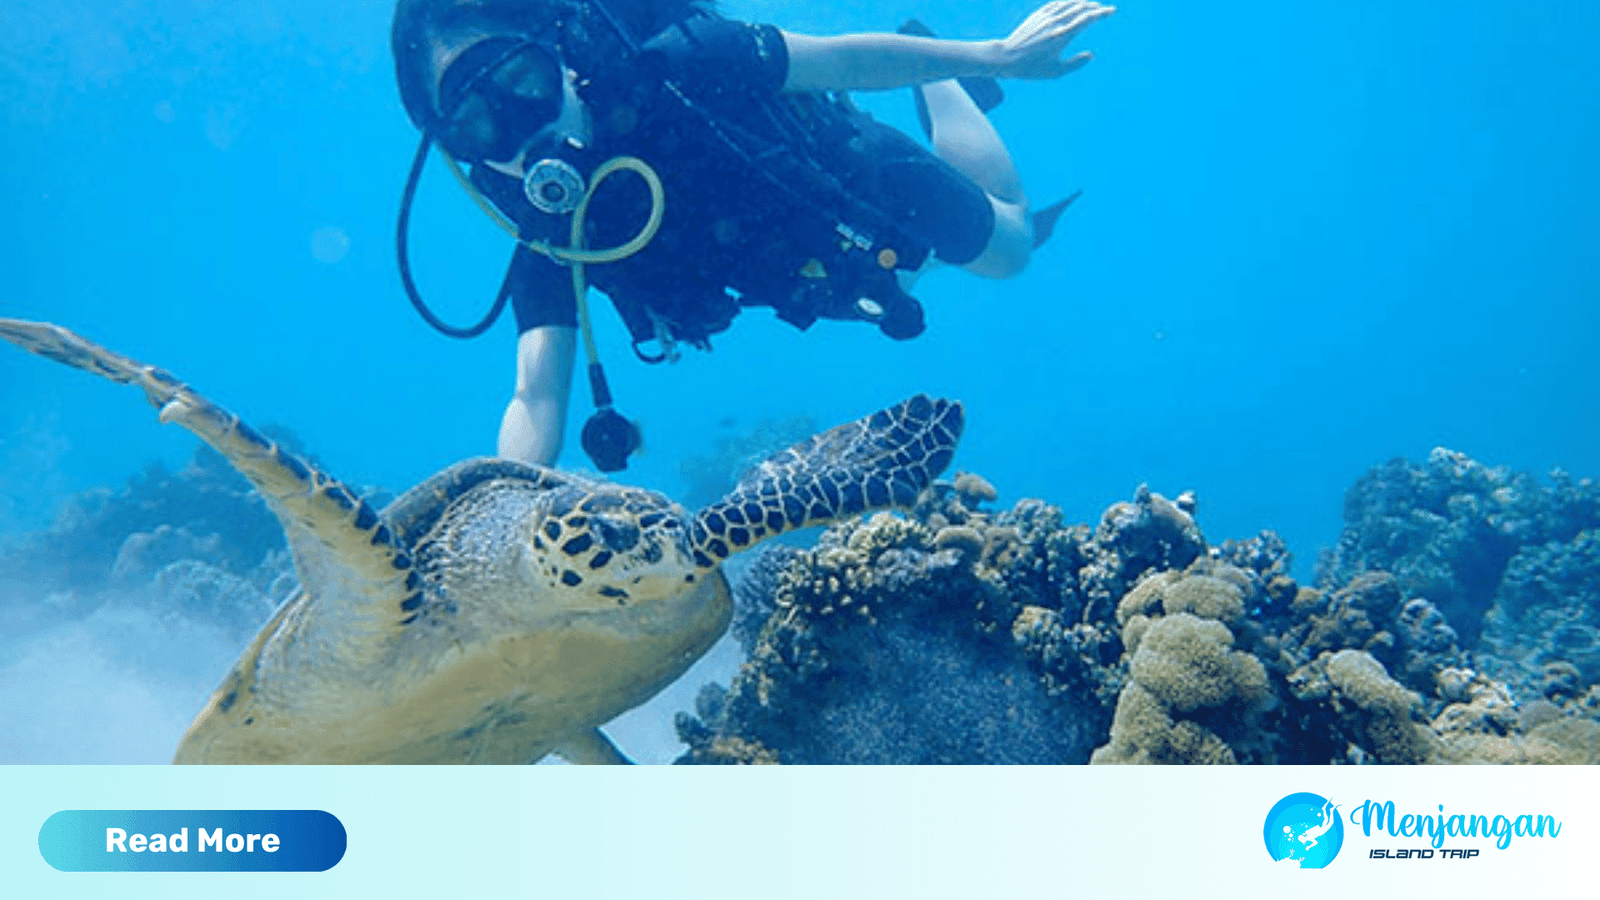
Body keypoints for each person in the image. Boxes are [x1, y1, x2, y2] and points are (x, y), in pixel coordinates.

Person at [391, 0, 1114, 470]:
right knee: (909, 281)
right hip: (793, 269)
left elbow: (842, 60)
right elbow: (536, 393)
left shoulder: (684, 61)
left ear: (563, 61)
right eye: (478, 124)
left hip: (847, 174)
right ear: (457, 151)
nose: (522, 127)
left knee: (1013, 246)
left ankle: (945, 88)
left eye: (523, 82)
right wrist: (509, 500)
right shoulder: (551, 226)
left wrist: (995, 56)